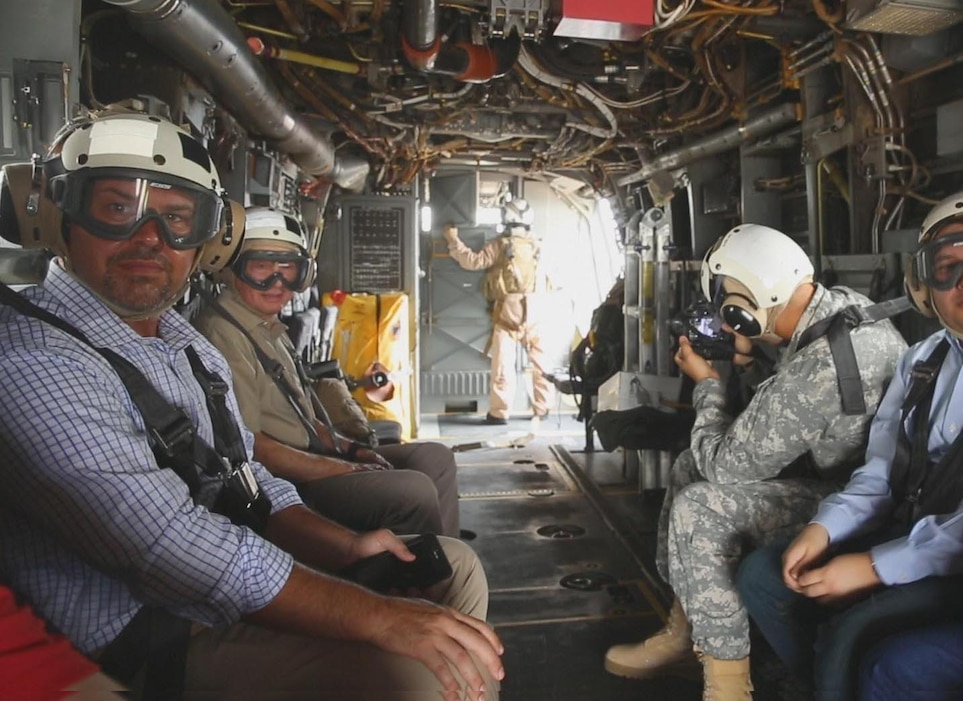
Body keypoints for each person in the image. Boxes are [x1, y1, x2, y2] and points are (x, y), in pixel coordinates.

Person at [0, 108, 502, 699]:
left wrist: (345, 547)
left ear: (206, 243)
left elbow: (244, 473)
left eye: (179, 219)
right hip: (150, 635)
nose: (151, 239)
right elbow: (166, 546)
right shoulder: (29, 356)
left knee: (454, 567)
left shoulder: (182, 343)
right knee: (413, 678)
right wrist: (376, 616)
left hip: (227, 577)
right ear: (56, 213)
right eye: (117, 208)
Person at [734, 189, 963, 701]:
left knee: (853, 636)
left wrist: (874, 567)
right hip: (912, 531)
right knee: (762, 576)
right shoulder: (924, 358)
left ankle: (836, 677)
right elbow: (881, 471)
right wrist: (826, 527)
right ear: (923, 285)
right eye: (946, 267)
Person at [603, 224, 909, 700]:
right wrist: (748, 361)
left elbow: (726, 465)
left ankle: (728, 688)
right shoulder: (837, 307)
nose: (726, 324)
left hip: (862, 503)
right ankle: (686, 634)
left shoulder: (825, 363)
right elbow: (793, 406)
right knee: (687, 465)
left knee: (700, 507)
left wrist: (708, 384)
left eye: (730, 307)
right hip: (847, 478)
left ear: (758, 294)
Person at [194, 206, 461, 537]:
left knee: (434, 458)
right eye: (261, 267)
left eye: (288, 269)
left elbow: (303, 421)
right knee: (413, 491)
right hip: (285, 482)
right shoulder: (224, 333)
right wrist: (342, 467)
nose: (278, 282)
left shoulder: (269, 328)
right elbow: (255, 448)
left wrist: (351, 449)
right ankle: (417, 581)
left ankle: (445, 563)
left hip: (311, 454)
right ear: (230, 269)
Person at [441, 198, 554, 424]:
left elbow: (471, 262)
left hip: (508, 312)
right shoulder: (538, 246)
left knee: (502, 366)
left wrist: (453, 239)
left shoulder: (499, 246)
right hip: (537, 310)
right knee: (542, 365)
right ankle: (543, 409)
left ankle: (499, 413)